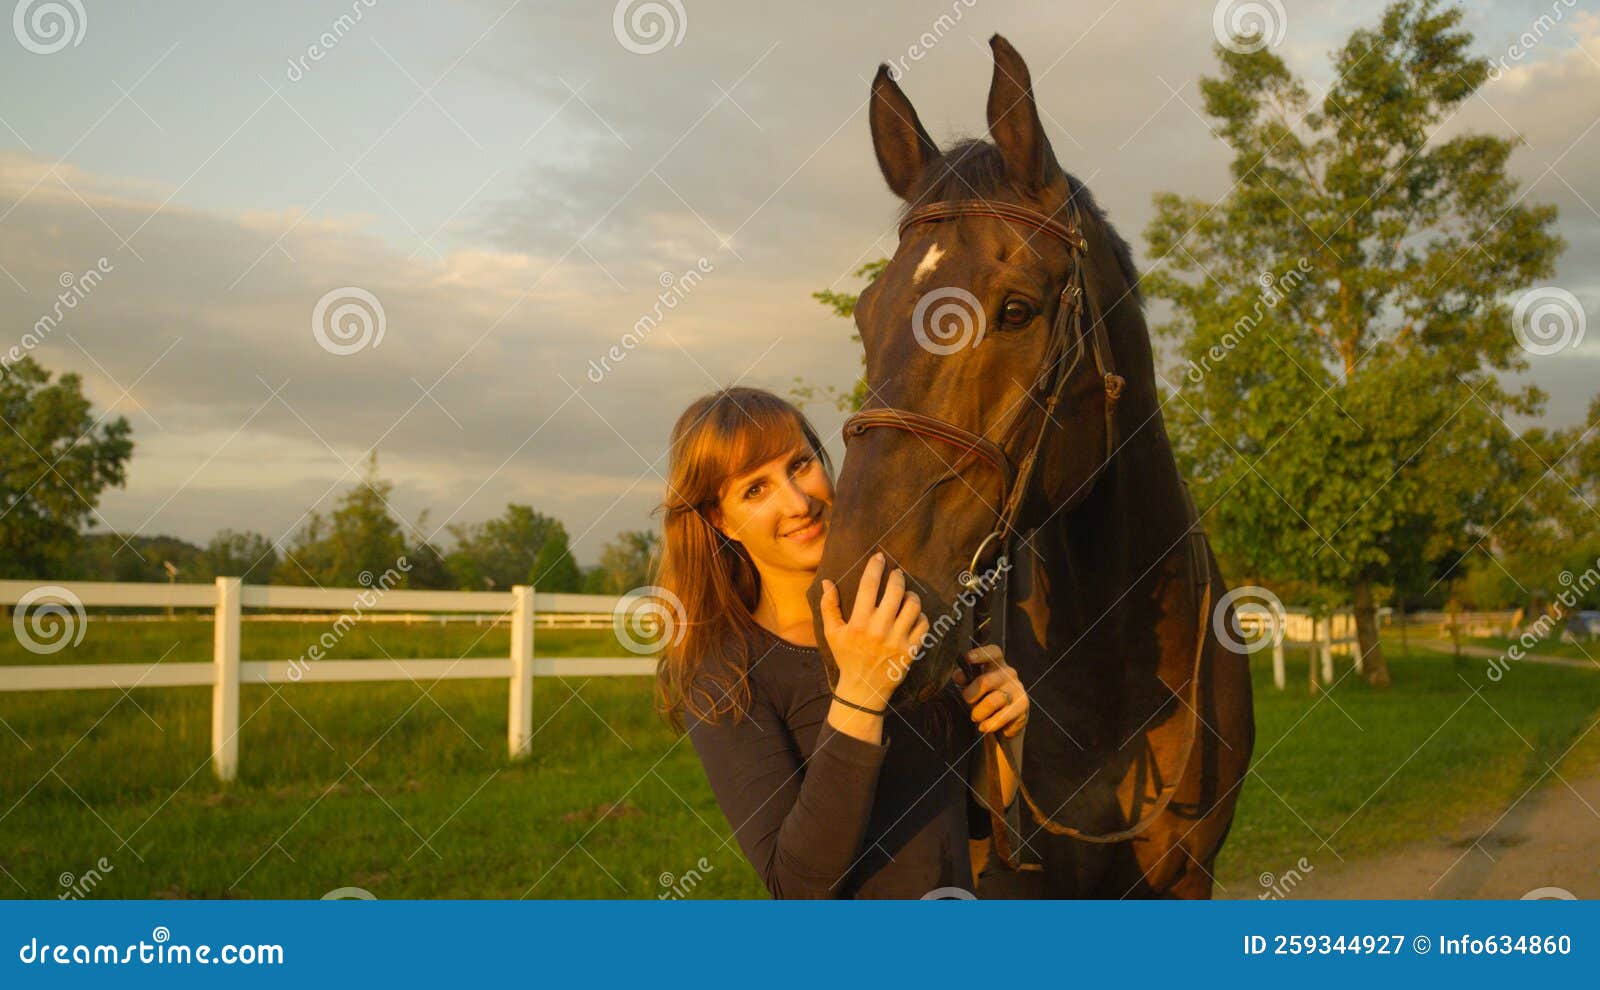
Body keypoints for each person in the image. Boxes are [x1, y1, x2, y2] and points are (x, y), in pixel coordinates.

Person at [652, 386, 1029, 898]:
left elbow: (973, 815)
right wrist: (862, 694)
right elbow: (797, 885)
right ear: (720, 520)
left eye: (800, 465)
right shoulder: (725, 672)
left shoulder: (899, 615)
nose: (798, 501)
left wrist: (1007, 731)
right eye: (755, 490)